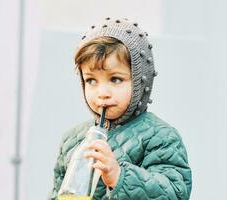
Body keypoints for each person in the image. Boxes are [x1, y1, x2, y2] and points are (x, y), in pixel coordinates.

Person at [48, 17, 192, 200]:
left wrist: (118, 176)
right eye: (91, 80)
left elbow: (175, 193)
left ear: (141, 81)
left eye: (115, 79)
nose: (102, 93)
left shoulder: (160, 137)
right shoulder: (72, 140)